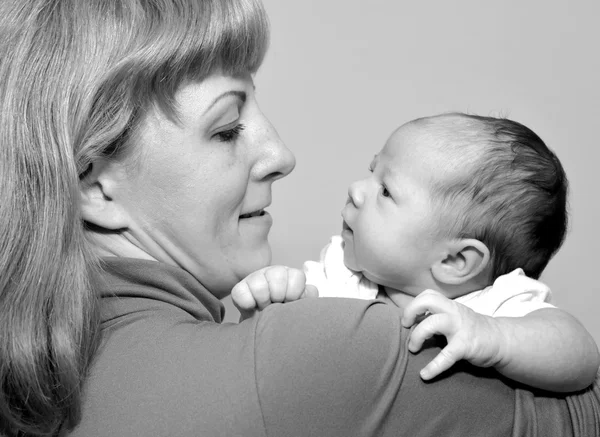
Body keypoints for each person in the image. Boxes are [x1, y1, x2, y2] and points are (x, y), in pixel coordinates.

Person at [1, 1, 599, 437]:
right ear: (96, 187)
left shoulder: (42, 386)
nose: (283, 155)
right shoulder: (327, 355)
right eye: (227, 128)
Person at [233, 113, 600, 392]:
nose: (357, 190)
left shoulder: (494, 306)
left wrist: (494, 338)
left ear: (455, 261)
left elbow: (580, 355)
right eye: (371, 172)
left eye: (386, 191)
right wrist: (278, 300)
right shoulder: (342, 275)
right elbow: (286, 344)